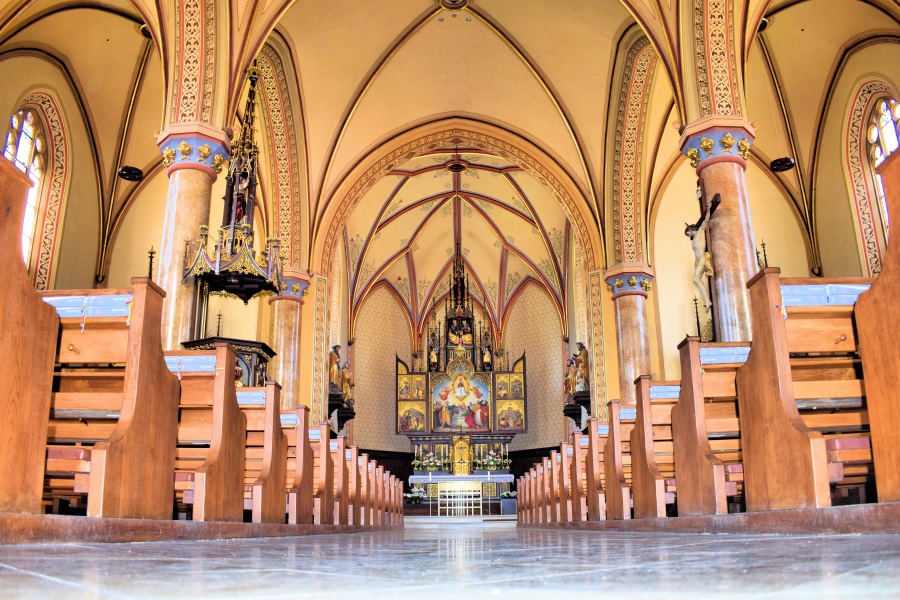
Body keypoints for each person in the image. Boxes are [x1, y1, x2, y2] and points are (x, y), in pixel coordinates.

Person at [685, 196, 714, 311]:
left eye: (688, 234)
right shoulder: (695, 238)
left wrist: (708, 208)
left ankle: (707, 301)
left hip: (702, 258)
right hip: (699, 261)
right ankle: (707, 301)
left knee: (696, 279)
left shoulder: (700, 232)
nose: (689, 236)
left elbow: (706, 220)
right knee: (696, 279)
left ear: (691, 230)